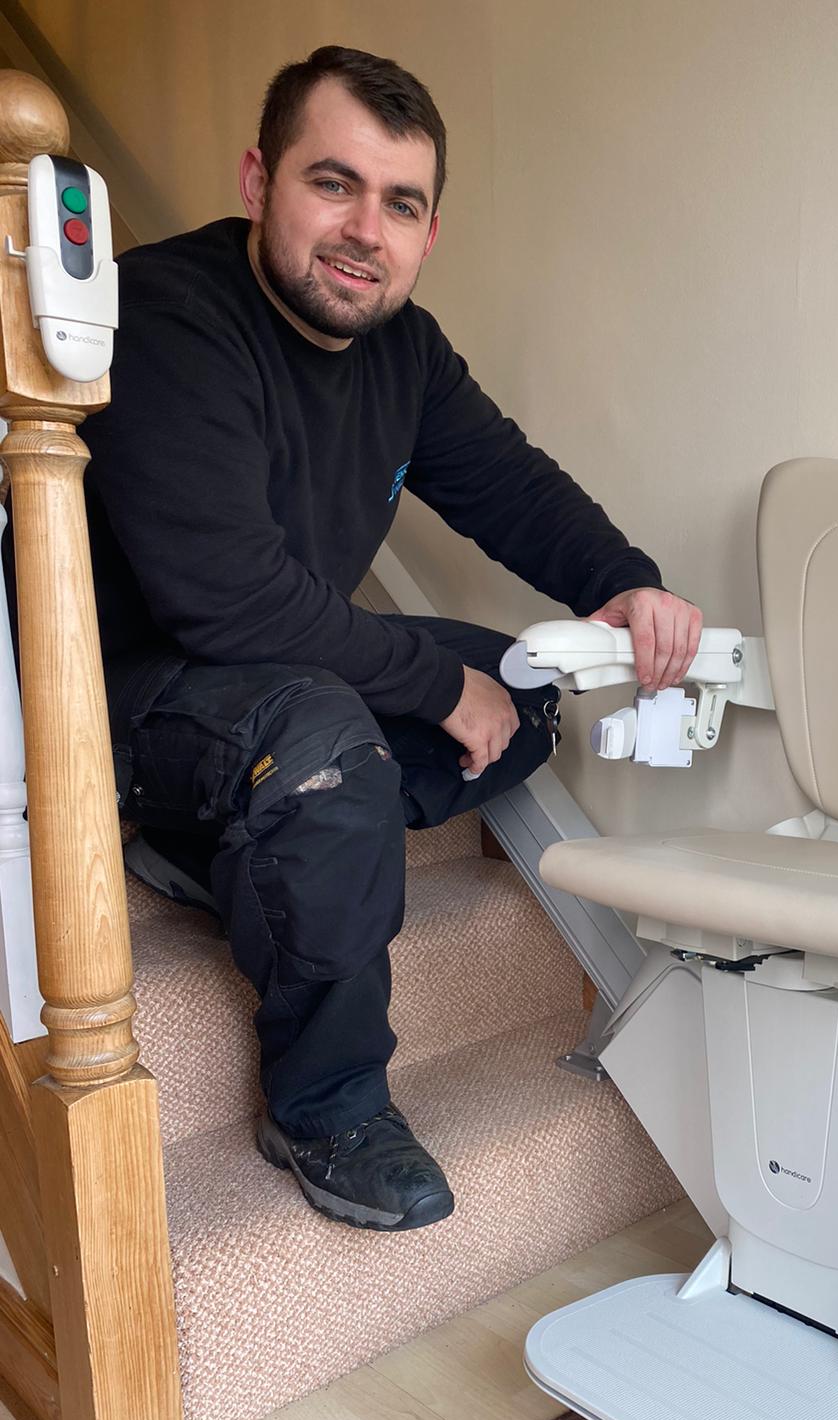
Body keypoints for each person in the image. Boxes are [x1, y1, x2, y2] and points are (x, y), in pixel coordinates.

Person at [80, 45, 702, 1234]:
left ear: (428, 234)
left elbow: (510, 484)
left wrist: (624, 584)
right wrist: (430, 681)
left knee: (527, 687)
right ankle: (326, 1105)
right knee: (334, 746)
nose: (365, 229)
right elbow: (226, 595)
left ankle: (211, 849)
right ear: (260, 180)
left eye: (400, 203)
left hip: (270, 679)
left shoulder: (403, 350)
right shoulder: (166, 309)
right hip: (136, 695)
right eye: (334, 184)